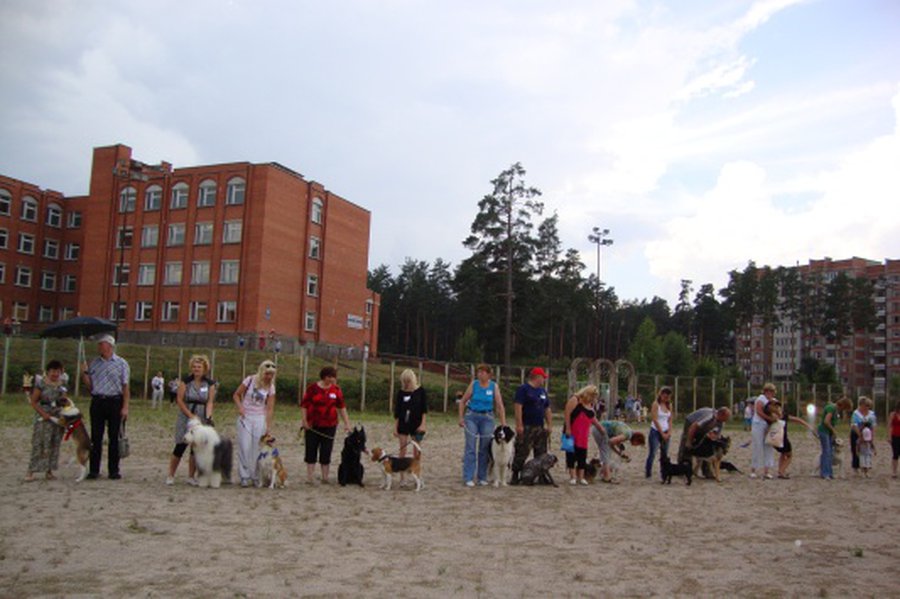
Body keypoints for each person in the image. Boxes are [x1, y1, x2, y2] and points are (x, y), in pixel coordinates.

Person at [81, 335, 130, 480]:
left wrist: (125, 406)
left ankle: (114, 470)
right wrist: (84, 374)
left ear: (109, 346)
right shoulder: (94, 363)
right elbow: (90, 386)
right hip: (98, 401)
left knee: (114, 437)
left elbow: (125, 386)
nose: (99, 347)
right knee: (96, 437)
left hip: (115, 401)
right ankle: (94, 469)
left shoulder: (121, 363)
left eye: (101, 344)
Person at [166, 356, 216, 486]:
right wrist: (190, 415)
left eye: (199, 367)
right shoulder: (185, 382)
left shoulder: (210, 384)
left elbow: (210, 401)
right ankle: (171, 474)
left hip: (202, 414)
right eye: (194, 367)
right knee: (180, 445)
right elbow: (179, 400)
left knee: (196, 448)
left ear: (204, 368)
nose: (196, 369)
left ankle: (191, 476)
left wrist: (209, 417)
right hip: (186, 414)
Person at [458, 364, 507, 487]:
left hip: (487, 418)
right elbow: (463, 401)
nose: (480, 374)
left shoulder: (493, 386)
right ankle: (468, 476)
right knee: (470, 446)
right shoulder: (474, 384)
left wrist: (503, 423)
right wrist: (461, 417)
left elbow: (500, 405)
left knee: (484, 447)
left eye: (483, 372)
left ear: (489, 374)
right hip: (472, 416)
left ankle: (482, 476)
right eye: (479, 372)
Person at [301, 366, 352, 484]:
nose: (333, 379)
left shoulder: (336, 390)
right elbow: (304, 405)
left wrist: (347, 423)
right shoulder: (312, 388)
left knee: (326, 450)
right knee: (311, 449)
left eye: (334, 377)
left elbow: (341, 407)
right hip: (313, 424)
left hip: (330, 424)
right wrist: (304, 421)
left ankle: (325, 477)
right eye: (331, 377)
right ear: (325, 377)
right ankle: (310, 477)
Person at [234, 360, 277, 487]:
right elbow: (236, 394)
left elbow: (269, 408)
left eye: (271, 375)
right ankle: (244, 476)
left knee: (256, 448)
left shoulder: (271, 387)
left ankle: (256, 476)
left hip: (259, 418)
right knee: (244, 446)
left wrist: (267, 426)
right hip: (246, 417)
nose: (269, 377)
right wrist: (240, 407)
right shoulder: (250, 380)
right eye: (267, 374)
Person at [25, 360, 67, 481]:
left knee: (54, 443)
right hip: (43, 415)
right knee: (40, 443)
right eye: (53, 371)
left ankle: (49, 470)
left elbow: (64, 401)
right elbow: (33, 401)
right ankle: (31, 470)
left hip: (57, 417)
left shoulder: (62, 384)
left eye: (58, 371)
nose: (55, 374)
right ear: (48, 371)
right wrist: (43, 414)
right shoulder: (41, 384)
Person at [510, 367, 552, 485]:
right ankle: (515, 474)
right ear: (537, 377)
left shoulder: (542, 392)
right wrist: (519, 424)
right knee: (522, 451)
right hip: (527, 425)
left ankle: (541, 475)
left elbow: (547, 408)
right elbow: (518, 407)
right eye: (543, 377)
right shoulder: (523, 389)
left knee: (541, 452)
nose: (544, 380)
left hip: (539, 426)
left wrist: (549, 424)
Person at [565, 385, 605, 485]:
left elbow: (593, 418)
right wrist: (568, 428)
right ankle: (573, 477)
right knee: (570, 454)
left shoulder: (590, 405)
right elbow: (567, 414)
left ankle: (581, 477)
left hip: (583, 435)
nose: (594, 399)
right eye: (593, 396)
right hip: (570, 432)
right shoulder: (575, 399)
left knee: (582, 455)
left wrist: (601, 428)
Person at [772, 398, 816, 479]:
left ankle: (780, 470)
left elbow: (797, 420)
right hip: (782, 439)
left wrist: (807, 425)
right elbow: (797, 420)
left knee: (783, 454)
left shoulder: (773, 416)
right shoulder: (782, 416)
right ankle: (781, 471)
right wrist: (808, 426)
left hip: (775, 439)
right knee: (789, 455)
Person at [394, 369, 427, 463]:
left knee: (416, 450)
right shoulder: (400, 393)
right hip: (403, 423)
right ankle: (401, 474)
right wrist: (395, 427)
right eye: (404, 381)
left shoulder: (420, 391)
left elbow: (424, 410)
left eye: (408, 381)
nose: (406, 383)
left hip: (416, 422)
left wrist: (423, 424)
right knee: (402, 449)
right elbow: (397, 411)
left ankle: (416, 471)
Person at [818, 397, 852, 480]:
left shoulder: (835, 410)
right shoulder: (832, 408)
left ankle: (828, 472)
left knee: (829, 451)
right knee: (827, 451)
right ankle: (825, 473)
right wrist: (833, 431)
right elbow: (826, 421)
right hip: (824, 431)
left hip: (828, 432)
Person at [750, 383, 777, 480]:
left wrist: (775, 418)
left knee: (768, 446)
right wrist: (769, 418)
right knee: (757, 446)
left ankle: (767, 470)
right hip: (759, 424)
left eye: (771, 391)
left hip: (769, 426)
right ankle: (754, 469)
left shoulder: (774, 401)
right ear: (764, 391)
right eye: (768, 391)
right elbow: (759, 412)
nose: (769, 393)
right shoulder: (760, 399)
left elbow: (777, 411)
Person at [645, 386, 673, 480]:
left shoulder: (669, 405)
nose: (666, 398)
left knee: (664, 453)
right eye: (664, 396)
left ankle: (664, 472)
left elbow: (670, 420)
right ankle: (648, 472)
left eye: (667, 397)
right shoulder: (656, 404)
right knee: (653, 452)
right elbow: (655, 420)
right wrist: (662, 433)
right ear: (661, 395)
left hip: (666, 430)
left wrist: (669, 432)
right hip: (656, 431)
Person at [850, 397, 876, 476]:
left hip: (867, 434)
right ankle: (855, 467)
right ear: (861, 405)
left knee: (867, 452)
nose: (867, 407)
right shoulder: (856, 413)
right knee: (856, 450)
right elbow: (854, 425)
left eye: (868, 406)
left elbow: (874, 425)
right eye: (866, 405)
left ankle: (866, 469)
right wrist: (860, 435)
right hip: (856, 433)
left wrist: (872, 436)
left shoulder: (871, 414)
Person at [890, 400, 900, 479]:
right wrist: (889, 436)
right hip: (895, 436)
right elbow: (890, 425)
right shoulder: (893, 414)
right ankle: (894, 471)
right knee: (895, 454)